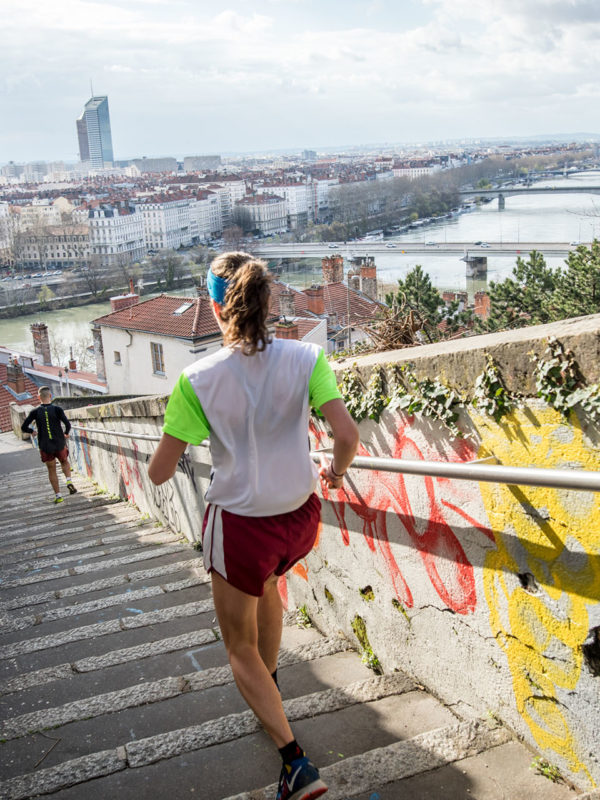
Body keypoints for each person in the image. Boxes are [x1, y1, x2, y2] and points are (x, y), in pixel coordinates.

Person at [149, 252, 359, 800]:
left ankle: (295, 764)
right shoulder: (307, 356)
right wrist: (334, 472)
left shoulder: (198, 379)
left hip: (242, 526)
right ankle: (271, 689)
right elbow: (347, 435)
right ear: (267, 302)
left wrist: (189, 430)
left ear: (216, 306)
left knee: (237, 645)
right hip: (299, 521)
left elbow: (160, 471)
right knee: (267, 585)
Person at [21, 385, 78, 504]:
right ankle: (68, 480)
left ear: (38, 397)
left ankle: (58, 496)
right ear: (50, 396)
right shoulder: (57, 409)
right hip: (59, 442)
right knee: (64, 461)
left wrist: (32, 431)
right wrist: (66, 433)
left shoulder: (35, 412)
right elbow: (67, 424)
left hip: (45, 445)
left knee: (51, 470)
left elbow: (23, 427)